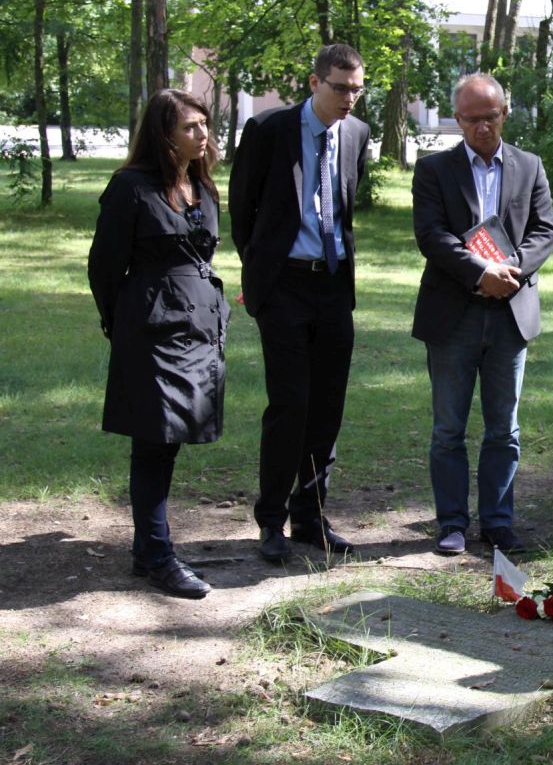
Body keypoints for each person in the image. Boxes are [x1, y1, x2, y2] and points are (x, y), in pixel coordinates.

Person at [229, 43, 370, 562]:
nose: (350, 98)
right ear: (314, 83)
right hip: (284, 286)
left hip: (332, 285)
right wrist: (261, 274)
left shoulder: (356, 134)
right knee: (290, 405)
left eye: (358, 89)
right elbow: (242, 210)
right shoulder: (268, 130)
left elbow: (346, 206)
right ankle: (271, 521)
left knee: (328, 407)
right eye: (341, 88)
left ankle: (310, 517)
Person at [88, 89, 228, 599]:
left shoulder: (202, 185)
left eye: (204, 124)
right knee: (154, 441)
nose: (202, 134)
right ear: (163, 134)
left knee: (169, 444)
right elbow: (104, 267)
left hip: (199, 329)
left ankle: (147, 548)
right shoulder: (131, 188)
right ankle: (157, 556)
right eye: (190, 126)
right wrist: (123, 324)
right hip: (150, 329)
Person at [411, 72, 553, 556]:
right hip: (453, 314)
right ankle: (452, 523)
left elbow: (544, 231)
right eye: (471, 119)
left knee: (504, 428)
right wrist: (480, 273)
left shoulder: (529, 166)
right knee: (448, 429)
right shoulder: (433, 170)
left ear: (505, 114)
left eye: (490, 117)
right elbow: (432, 236)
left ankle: (498, 521)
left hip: (510, 313)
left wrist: (509, 270)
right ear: (457, 119)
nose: (482, 127)